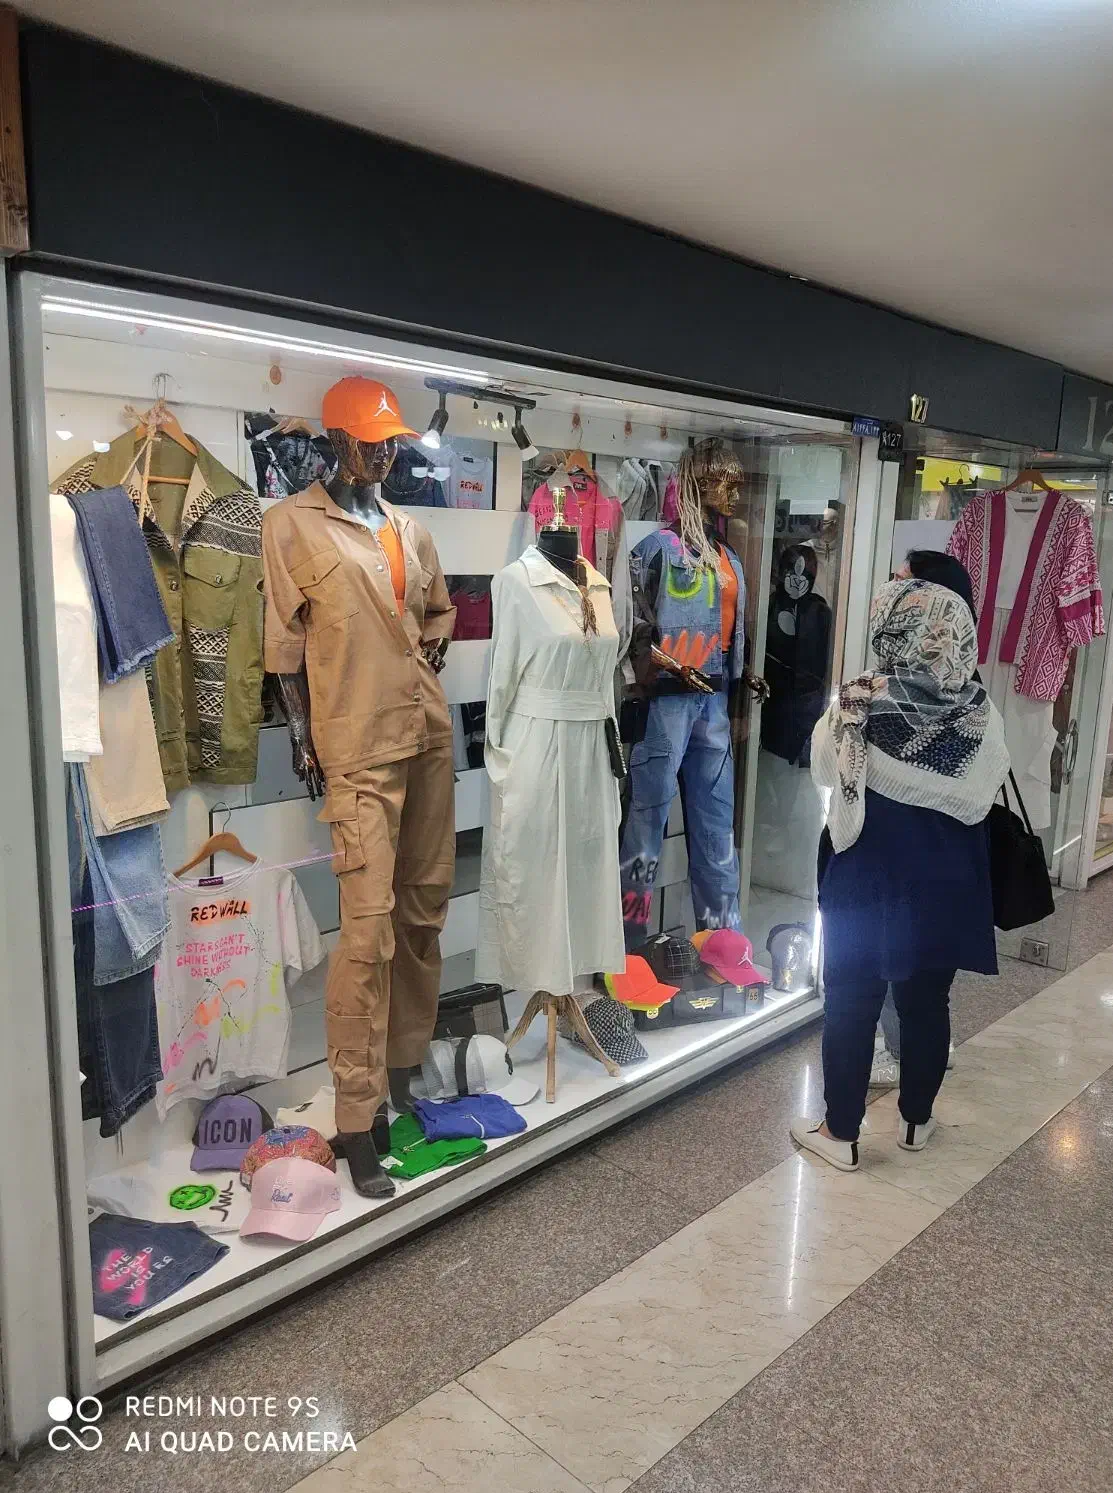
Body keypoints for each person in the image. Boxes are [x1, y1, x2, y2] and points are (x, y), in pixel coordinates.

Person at [791, 577, 1009, 1170]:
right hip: (946, 877)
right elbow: (983, 791)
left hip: (866, 871)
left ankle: (841, 1134)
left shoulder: (858, 701)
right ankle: (916, 1121)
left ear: (891, 632)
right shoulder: (980, 712)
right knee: (927, 1001)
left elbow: (824, 770)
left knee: (852, 1001)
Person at [872, 549, 977, 1084]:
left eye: (903, 581)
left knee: (889, 938)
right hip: (947, 853)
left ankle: (894, 1044)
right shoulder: (971, 693)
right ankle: (920, 1045)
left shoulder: (883, 694)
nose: (892, 589)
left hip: (898, 843)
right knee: (924, 961)